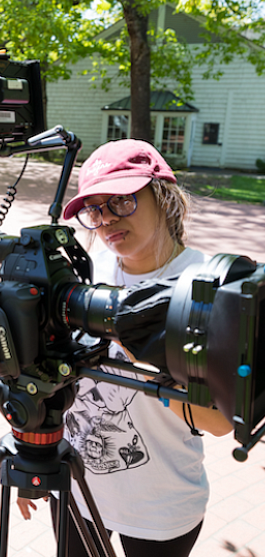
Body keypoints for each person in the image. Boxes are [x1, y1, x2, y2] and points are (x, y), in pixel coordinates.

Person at [17, 139, 232, 556]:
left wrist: (142, 342)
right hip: (77, 491)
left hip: (161, 508)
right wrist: (32, 456)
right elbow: (45, 373)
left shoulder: (208, 285)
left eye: (120, 201)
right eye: (94, 210)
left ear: (162, 195)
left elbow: (219, 423)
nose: (107, 218)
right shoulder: (81, 279)